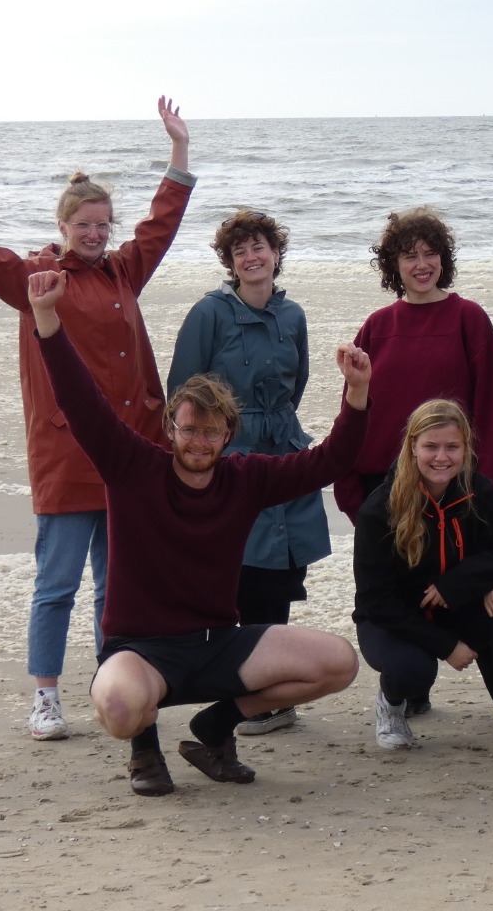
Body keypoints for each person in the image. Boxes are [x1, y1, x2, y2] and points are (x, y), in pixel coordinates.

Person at [27, 270, 365, 795]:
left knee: (339, 663)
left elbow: (330, 461)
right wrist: (47, 317)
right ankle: (145, 749)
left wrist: (357, 393)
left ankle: (215, 727)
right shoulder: (131, 467)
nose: (199, 441)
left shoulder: (245, 478)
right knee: (117, 709)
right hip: (140, 650)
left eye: (211, 431)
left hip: (217, 646)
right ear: (170, 429)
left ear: (228, 434)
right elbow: (79, 400)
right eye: (189, 429)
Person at [0, 97, 193, 742]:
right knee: (57, 585)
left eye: (105, 223)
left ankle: (115, 684)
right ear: (65, 223)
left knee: (119, 588)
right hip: (68, 456)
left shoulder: (126, 270)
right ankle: (45, 697)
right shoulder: (39, 276)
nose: (97, 233)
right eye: (86, 223)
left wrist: (179, 155)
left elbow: (161, 225)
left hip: (130, 455)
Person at [167, 209, 328, 736]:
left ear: (277, 254)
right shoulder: (209, 314)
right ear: (230, 263)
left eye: (260, 247)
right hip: (228, 454)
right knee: (236, 572)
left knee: (280, 575)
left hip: (282, 450)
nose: (252, 257)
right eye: (241, 252)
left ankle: (271, 697)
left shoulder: (294, 316)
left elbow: (297, 383)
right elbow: (182, 396)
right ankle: (233, 689)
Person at [352, 400, 493, 766]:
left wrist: (471, 582)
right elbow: (374, 602)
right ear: (412, 447)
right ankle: (391, 705)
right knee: (413, 671)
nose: (441, 457)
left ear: (466, 448)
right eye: (431, 446)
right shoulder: (378, 510)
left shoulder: (477, 490)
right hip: (392, 620)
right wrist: (446, 646)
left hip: (456, 605)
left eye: (452, 447)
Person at [334, 208, 493, 524]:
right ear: (394, 265)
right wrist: (350, 492)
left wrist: (492, 499)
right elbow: (353, 410)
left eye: (430, 254)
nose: (421, 265)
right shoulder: (378, 325)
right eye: (409, 256)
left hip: (454, 486)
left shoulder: (468, 319)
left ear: (443, 260)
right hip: (384, 491)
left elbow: (492, 411)